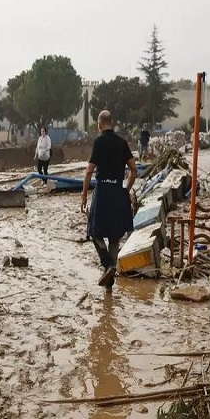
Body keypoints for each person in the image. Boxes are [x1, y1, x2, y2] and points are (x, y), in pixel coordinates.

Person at [81, 110, 137, 292]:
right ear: (112, 123)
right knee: (115, 235)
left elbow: (89, 171)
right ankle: (109, 287)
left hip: (103, 190)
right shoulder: (122, 143)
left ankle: (107, 263)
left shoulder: (99, 142)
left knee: (93, 230)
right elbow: (134, 169)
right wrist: (126, 190)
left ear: (99, 125)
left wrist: (83, 195)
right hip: (117, 191)